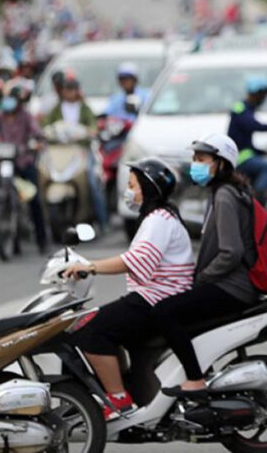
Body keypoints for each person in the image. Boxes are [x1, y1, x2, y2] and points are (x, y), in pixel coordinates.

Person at [64, 157, 194, 418]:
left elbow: (137, 260)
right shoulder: (157, 218)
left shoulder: (159, 219)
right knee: (104, 325)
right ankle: (122, 388)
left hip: (157, 300)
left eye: (133, 185)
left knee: (89, 328)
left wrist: (90, 267)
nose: (129, 191)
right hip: (152, 296)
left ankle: (118, 398)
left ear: (148, 188)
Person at [153, 134, 260, 395]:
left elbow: (231, 252)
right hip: (231, 284)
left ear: (221, 164)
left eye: (201, 159)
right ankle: (205, 375)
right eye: (194, 159)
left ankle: (195, 379)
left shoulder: (224, 196)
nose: (195, 164)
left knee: (164, 312)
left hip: (232, 287)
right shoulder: (223, 192)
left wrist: (202, 278)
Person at [0, 86, 48, 252]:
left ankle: (42, 240)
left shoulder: (26, 116)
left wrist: (37, 143)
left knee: (33, 198)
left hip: (23, 162)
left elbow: (38, 133)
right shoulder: (0, 115)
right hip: (4, 161)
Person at [43, 75, 107, 230]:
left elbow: (93, 126)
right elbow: (45, 126)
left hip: (81, 151)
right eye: (67, 89)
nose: (70, 93)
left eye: (73, 89)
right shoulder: (56, 109)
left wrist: (90, 131)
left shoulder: (85, 108)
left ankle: (103, 221)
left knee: (92, 183)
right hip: (59, 152)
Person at [229, 76, 267, 195]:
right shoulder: (240, 108)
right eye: (264, 95)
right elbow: (253, 125)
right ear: (256, 94)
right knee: (266, 167)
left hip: (246, 155)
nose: (264, 99)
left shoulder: (249, 110)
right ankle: (257, 200)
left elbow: (248, 145)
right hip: (239, 159)